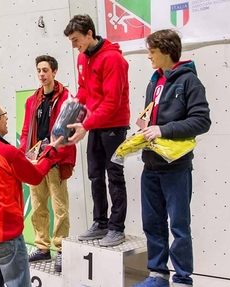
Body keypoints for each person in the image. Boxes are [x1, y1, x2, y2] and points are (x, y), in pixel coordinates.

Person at [131, 29, 211, 287]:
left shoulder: (190, 82)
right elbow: (154, 120)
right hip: (150, 165)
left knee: (179, 226)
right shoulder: (153, 81)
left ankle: (182, 279)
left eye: (152, 51)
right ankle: (157, 275)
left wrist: (164, 129)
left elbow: (201, 121)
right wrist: (146, 125)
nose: (149, 57)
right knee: (152, 223)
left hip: (176, 167)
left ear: (166, 51)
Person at [0, 99, 65, 287]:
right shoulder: (8, 152)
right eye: (4, 115)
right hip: (6, 233)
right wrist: (50, 152)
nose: (7, 118)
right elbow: (35, 177)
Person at [63, 14, 130, 246]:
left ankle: (116, 227)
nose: (74, 46)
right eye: (71, 41)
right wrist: (72, 106)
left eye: (76, 40)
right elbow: (84, 90)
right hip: (94, 125)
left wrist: (86, 125)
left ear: (89, 34)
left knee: (114, 176)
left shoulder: (113, 60)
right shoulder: (83, 59)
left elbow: (112, 103)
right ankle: (100, 223)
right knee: (94, 175)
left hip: (114, 126)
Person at [19, 55, 76, 273]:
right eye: (39, 71)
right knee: (38, 206)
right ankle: (42, 247)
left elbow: (69, 134)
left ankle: (61, 249)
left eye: (45, 70)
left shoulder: (66, 99)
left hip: (56, 160)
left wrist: (58, 154)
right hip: (36, 161)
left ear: (54, 72)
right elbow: (26, 131)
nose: (42, 75)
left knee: (60, 208)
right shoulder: (32, 101)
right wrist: (26, 154)